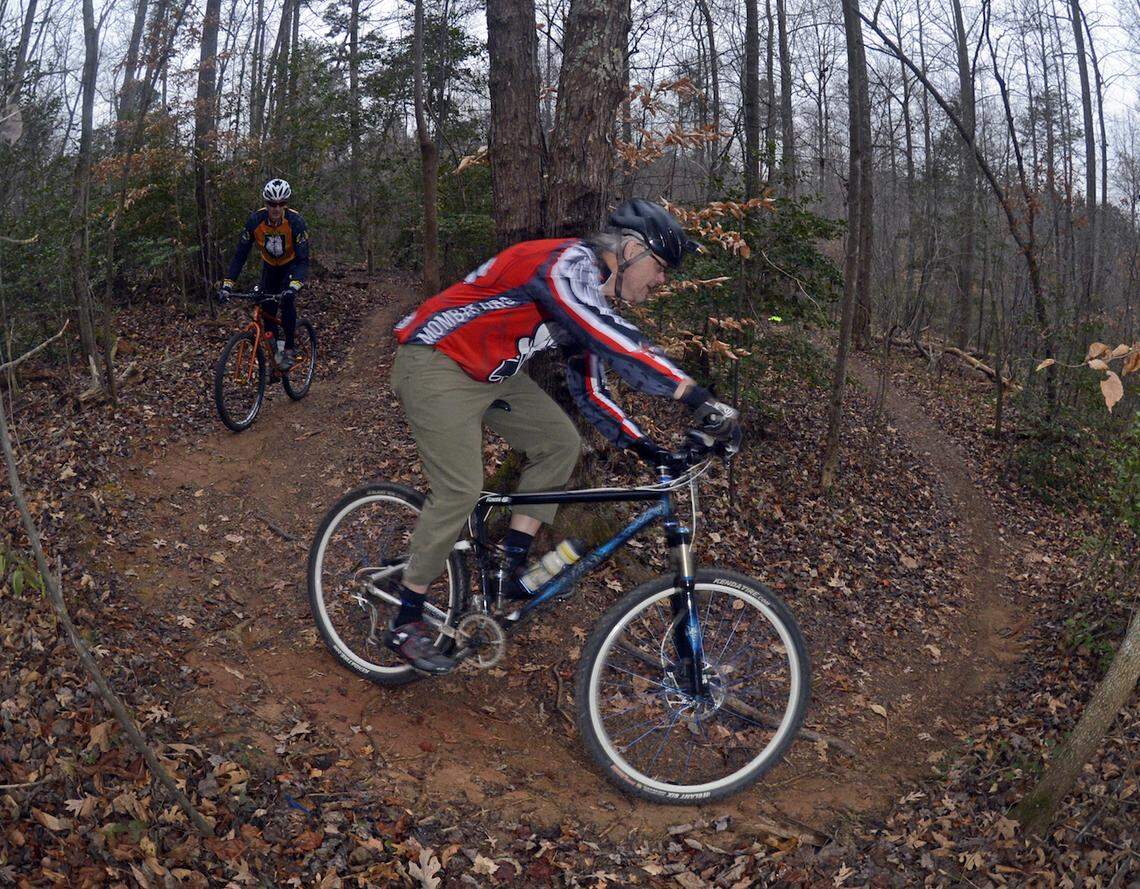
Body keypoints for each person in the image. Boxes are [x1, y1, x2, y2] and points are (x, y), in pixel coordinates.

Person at [387, 199, 742, 674]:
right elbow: (617, 342)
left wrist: (645, 448)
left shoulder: (586, 294)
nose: (662, 282)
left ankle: (512, 568)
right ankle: (406, 615)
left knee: (560, 441)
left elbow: (592, 390)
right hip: (435, 360)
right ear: (631, 250)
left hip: (491, 372)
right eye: (660, 268)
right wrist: (696, 396)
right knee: (461, 487)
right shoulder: (566, 265)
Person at [218, 178, 310, 370]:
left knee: (286, 300)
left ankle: (290, 349)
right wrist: (228, 284)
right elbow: (239, 256)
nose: (276, 208)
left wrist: (294, 286)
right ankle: (276, 358)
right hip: (270, 267)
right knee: (267, 311)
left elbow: (303, 260)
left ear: (286, 204)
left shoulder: (296, 222)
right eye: (272, 204)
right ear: (265, 204)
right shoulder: (255, 221)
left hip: (290, 267)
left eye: (281, 204)